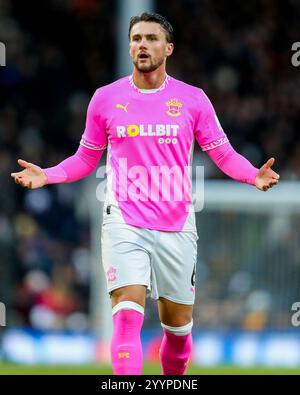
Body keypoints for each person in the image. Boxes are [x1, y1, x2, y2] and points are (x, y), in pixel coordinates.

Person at [11, 12, 280, 375]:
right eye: (136, 38)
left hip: (177, 221)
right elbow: (85, 159)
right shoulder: (105, 99)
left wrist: (253, 176)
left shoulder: (193, 99)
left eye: (151, 38)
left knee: (178, 331)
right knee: (126, 315)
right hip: (123, 218)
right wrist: (49, 175)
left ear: (168, 48)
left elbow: (223, 154)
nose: (142, 44)